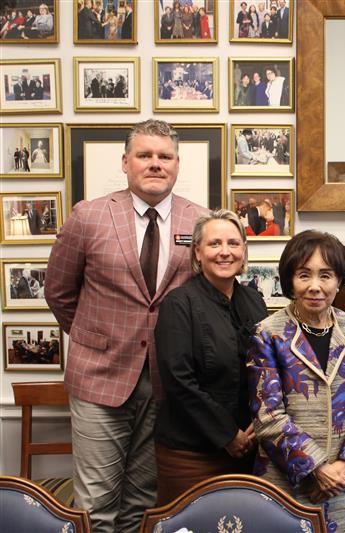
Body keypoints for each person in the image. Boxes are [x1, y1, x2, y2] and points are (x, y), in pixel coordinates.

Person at [45, 120, 207, 533]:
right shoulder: (89, 216)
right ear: (125, 162)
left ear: (176, 164)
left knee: (142, 501)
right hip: (99, 379)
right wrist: (94, 339)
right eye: (145, 155)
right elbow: (59, 292)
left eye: (164, 156)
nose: (155, 164)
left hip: (164, 383)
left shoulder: (201, 220)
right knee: (96, 505)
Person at [248, 230, 345, 532]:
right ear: (289, 280)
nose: (315, 287)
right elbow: (268, 417)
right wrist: (317, 468)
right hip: (287, 484)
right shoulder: (268, 332)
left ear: (339, 280)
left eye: (326, 275)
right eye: (304, 275)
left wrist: (342, 466)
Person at [154, 210, 267, 505]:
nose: (225, 252)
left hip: (250, 448)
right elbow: (179, 380)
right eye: (215, 244)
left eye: (233, 243)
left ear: (244, 251)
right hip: (191, 455)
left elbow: (269, 368)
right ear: (198, 252)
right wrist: (229, 435)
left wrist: (259, 424)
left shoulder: (254, 300)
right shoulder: (178, 304)